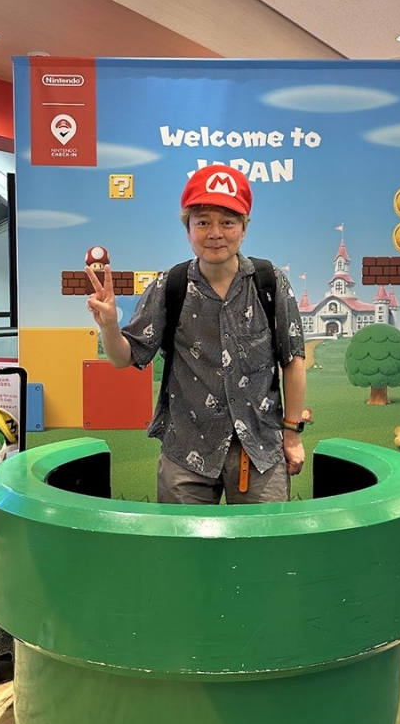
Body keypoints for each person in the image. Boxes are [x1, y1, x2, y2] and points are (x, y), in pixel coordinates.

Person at [86, 165, 306, 504]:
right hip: (186, 453)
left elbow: (293, 361)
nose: (215, 233)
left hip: (260, 450)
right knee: (181, 539)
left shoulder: (269, 282)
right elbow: (123, 357)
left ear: (244, 229)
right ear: (187, 230)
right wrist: (110, 326)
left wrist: (291, 435)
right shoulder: (170, 285)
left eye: (228, 222)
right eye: (202, 222)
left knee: (264, 538)